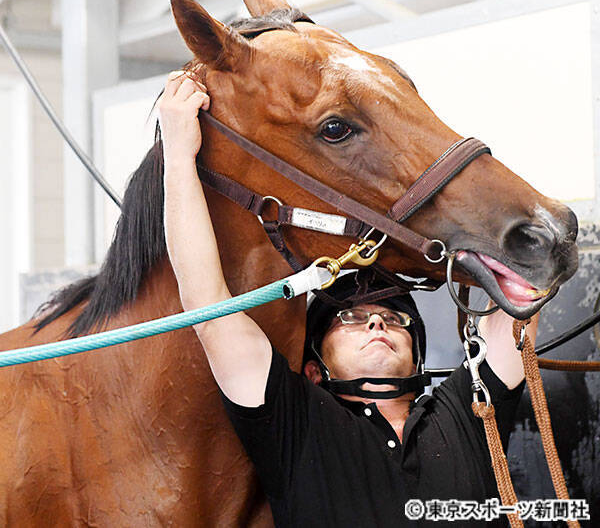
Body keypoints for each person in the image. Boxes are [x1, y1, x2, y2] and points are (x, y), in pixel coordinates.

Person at [159, 70, 538, 527]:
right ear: (315, 369)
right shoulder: (294, 425)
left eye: (395, 320)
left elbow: (523, 282)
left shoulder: (468, 413)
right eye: (353, 318)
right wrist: (178, 154)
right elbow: (207, 305)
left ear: (418, 358)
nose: (378, 324)